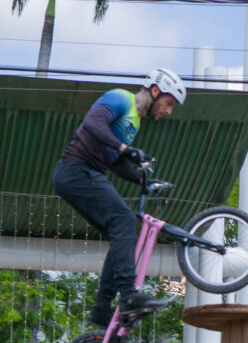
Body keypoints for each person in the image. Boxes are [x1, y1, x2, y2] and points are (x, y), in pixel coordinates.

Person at [52, 68, 187, 328]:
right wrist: (125, 148)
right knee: (124, 221)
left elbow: (115, 161)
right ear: (156, 91)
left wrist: (143, 181)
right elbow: (92, 123)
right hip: (76, 170)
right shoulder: (120, 98)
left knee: (121, 233)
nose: (168, 111)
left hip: (84, 174)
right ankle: (128, 295)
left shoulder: (134, 122)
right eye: (169, 104)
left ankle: (102, 309)